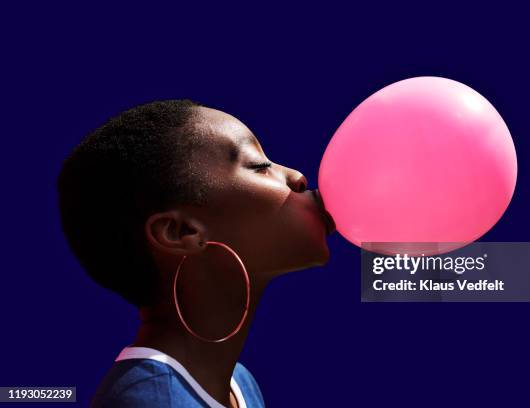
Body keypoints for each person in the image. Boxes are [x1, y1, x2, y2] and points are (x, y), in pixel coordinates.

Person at [57, 100, 335, 407]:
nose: (297, 177)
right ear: (181, 232)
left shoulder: (240, 384)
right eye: (258, 164)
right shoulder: (147, 402)